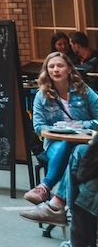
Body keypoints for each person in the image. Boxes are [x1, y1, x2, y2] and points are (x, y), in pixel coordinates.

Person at [20, 52, 98, 226]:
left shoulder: (83, 91)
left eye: (60, 66)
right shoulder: (42, 96)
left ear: (69, 69)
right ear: (47, 71)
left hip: (85, 142)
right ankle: (71, 212)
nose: (56, 69)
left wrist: (82, 125)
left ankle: (47, 192)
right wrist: (61, 130)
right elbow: (38, 126)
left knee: (78, 149)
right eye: (51, 66)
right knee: (73, 149)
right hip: (56, 143)